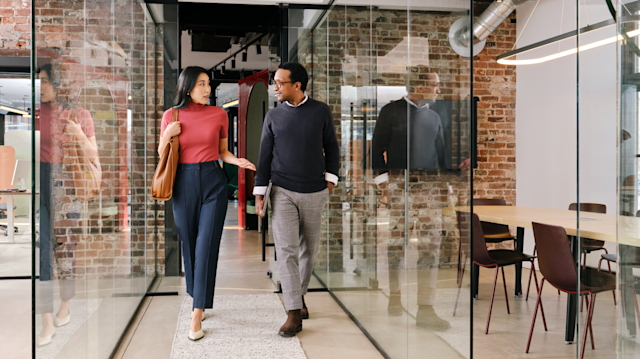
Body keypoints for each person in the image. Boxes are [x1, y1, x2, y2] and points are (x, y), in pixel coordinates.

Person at [159, 66, 255, 341]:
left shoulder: (219, 114)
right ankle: (197, 293)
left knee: (207, 245)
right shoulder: (171, 116)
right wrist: (168, 135)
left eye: (208, 84)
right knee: (189, 244)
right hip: (183, 182)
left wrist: (237, 161)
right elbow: (161, 153)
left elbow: (223, 151)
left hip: (214, 179)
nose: (207, 89)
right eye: (202, 84)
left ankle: (197, 311)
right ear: (188, 87)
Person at [254, 62, 340, 337]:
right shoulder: (273, 117)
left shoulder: (320, 111)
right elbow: (264, 157)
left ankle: (298, 296)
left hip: (315, 191)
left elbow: (332, 147)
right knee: (287, 251)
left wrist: (331, 180)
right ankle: (293, 312)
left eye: (280, 82)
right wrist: (259, 193)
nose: (275, 87)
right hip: (282, 192)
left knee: (308, 251)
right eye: (275, 82)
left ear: (297, 85)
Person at [371, 67, 451, 331]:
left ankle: (425, 309)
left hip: (428, 191)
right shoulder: (390, 112)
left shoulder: (434, 117)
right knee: (397, 244)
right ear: (419, 85)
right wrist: (384, 186)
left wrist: (444, 189)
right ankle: (394, 296)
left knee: (430, 248)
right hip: (398, 188)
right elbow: (376, 151)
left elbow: (440, 158)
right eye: (435, 84)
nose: (438, 89)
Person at [36, 63, 99, 346]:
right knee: (43, 253)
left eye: (45, 81)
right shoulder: (36, 114)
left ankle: (66, 304)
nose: (41, 87)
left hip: (68, 184)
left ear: (58, 85)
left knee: (66, 252)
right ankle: (46, 320)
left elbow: (93, 153)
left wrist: (78, 133)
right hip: (41, 179)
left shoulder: (79, 114)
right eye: (39, 82)